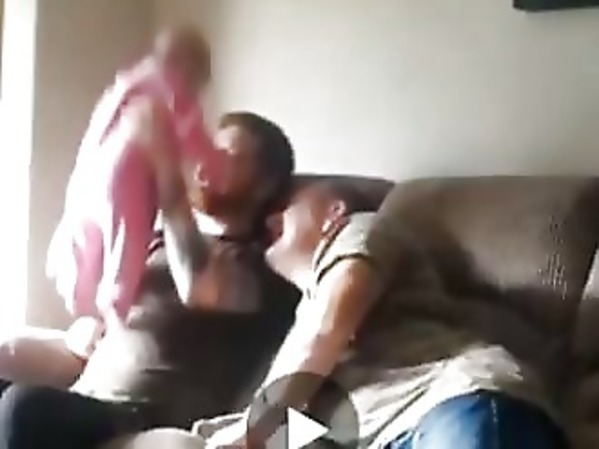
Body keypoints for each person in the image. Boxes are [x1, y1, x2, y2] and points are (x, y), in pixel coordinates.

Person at [0, 111, 298, 449]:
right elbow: (108, 296)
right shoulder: (160, 242)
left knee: (23, 407)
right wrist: (92, 324)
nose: (205, 161)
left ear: (264, 185)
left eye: (228, 156)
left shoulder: (258, 267)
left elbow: (199, 288)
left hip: (143, 415)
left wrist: (169, 183)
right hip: (86, 398)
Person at [202, 180, 566, 449]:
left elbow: (327, 332)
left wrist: (254, 430)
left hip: (445, 401)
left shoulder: (362, 228)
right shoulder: (303, 321)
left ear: (333, 212)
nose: (270, 220)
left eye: (287, 207)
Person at [46, 25, 230, 359]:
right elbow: (197, 141)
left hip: (99, 172)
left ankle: (83, 295)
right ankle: (114, 309)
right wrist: (217, 165)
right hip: (127, 176)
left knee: (95, 232)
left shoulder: (130, 83)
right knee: (126, 241)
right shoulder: (175, 94)